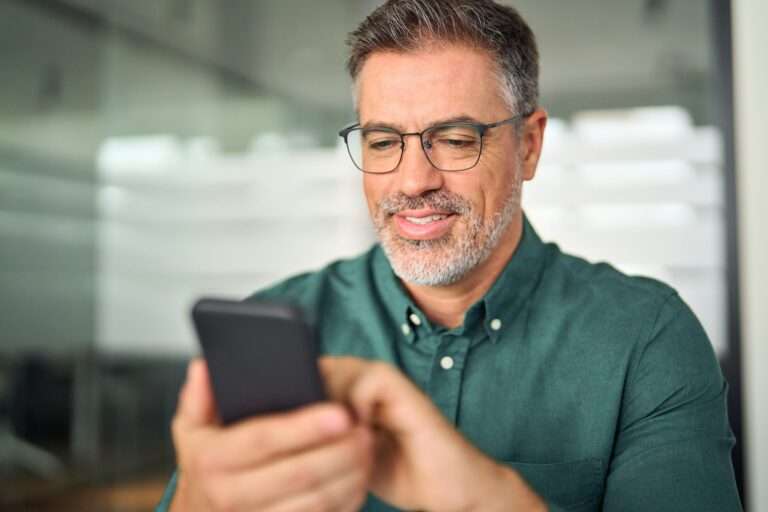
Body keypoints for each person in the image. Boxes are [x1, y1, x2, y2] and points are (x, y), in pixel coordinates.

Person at [157, 1, 742, 510]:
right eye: (383, 142)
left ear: (529, 146)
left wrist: (493, 500)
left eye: (457, 140)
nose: (413, 180)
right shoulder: (281, 323)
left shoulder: (644, 339)